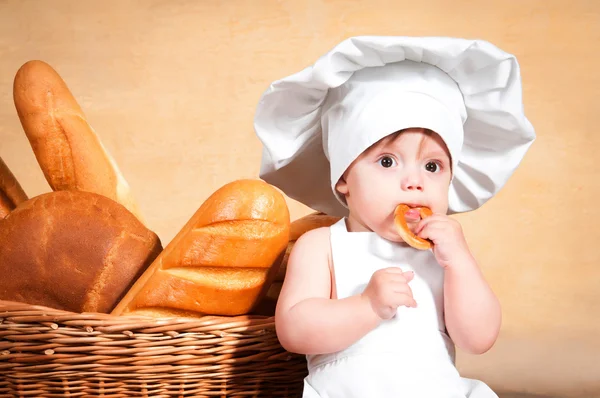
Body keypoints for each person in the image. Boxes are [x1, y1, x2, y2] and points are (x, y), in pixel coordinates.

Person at [253, 36, 535, 397]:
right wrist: (366, 305)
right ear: (343, 178)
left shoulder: (443, 251)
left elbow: (478, 339)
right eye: (387, 162)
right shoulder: (321, 244)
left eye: (433, 166)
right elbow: (295, 333)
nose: (415, 182)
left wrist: (461, 263)